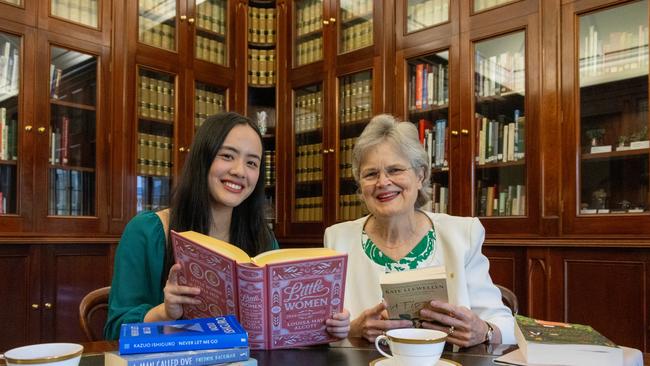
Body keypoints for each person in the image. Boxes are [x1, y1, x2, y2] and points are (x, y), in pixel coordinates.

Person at [105, 112, 350, 340]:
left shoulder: (263, 241)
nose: (239, 171)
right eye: (227, 156)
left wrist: (326, 325)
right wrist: (165, 312)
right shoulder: (147, 232)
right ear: (203, 158)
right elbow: (115, 331)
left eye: (252, 163)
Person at [324, 114, 515, 347]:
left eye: (395, 170)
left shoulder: (462, 235)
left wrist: (483, 331)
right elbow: (321, 332)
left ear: (420, 176)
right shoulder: (337, 240)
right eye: (371, 174)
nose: (383, 182)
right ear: (360, 185)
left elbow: (505, 324)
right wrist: (354, 330)